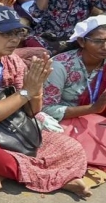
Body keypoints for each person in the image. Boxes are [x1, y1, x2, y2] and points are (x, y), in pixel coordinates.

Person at [0, 6, 92, 198]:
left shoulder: (12, 60)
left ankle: (6, 174)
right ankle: (52, 177)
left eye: (18, 33)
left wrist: (37, 87)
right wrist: (26, 91)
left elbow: (31, 112)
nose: (15, 40)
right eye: (7, 34)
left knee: (73, 149)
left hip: (12, 128)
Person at [44, 15, 106, 169]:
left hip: (97, 119)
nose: (105, 46)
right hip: (65, 121)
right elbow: (46, 109)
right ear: (81, 41)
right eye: (98, 41)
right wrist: (92, 109)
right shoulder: (60, 66)